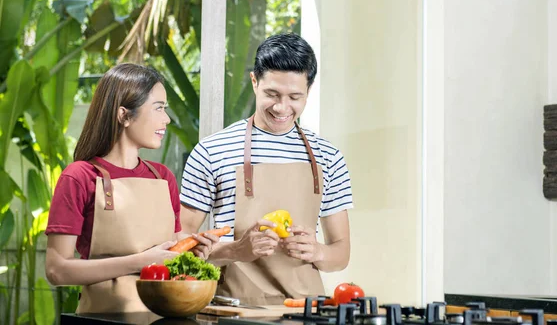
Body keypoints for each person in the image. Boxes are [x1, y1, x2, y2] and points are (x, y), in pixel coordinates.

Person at [180, 33, 354, 305]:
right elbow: (179, 247)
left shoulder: (328, 157)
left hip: (304, 312)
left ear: (309, 91)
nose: (282, 107)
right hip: (231, 312)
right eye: (272, 94)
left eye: (295, 96)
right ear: (254, 82)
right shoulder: (212, 152)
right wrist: (237, 250)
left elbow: (341, 253)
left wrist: (317, 251)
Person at [44, 63, 218, 314]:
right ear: (124, 115)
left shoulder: (163, 177)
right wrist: (141, 262)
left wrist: (192, 246)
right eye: (158, 108)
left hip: (163, 315)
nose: (166, 119)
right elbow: (57, 270)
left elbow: (171, 243)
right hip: (104, 317)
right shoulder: (79, 177)